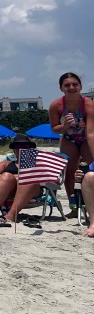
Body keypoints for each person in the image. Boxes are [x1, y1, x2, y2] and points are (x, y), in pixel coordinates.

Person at [48, 72, 94, 219]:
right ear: (61, 88)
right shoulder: (56, 105)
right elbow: (55, 129)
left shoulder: (88, 104)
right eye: (67, 85)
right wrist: (65, 126)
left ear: (80, 86)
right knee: (70, 173)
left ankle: (90, 205)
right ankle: (74, 207)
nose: (71, 87)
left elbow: (91, 133)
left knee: (90, 170)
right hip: (69, 139)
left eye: (75, 84)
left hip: (86, 138)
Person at [0, 134, 46, 227]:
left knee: (27, 179)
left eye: (25, 146)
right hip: (10, 190)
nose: (21, 149)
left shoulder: (37, 163)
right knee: (7, 176)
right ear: (14, 149)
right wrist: (13, 177)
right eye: (18, 146)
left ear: (30, 149)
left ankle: (11, 215)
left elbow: (54, 179)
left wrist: (24, 177)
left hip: (31, 190)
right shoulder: (6, 163)